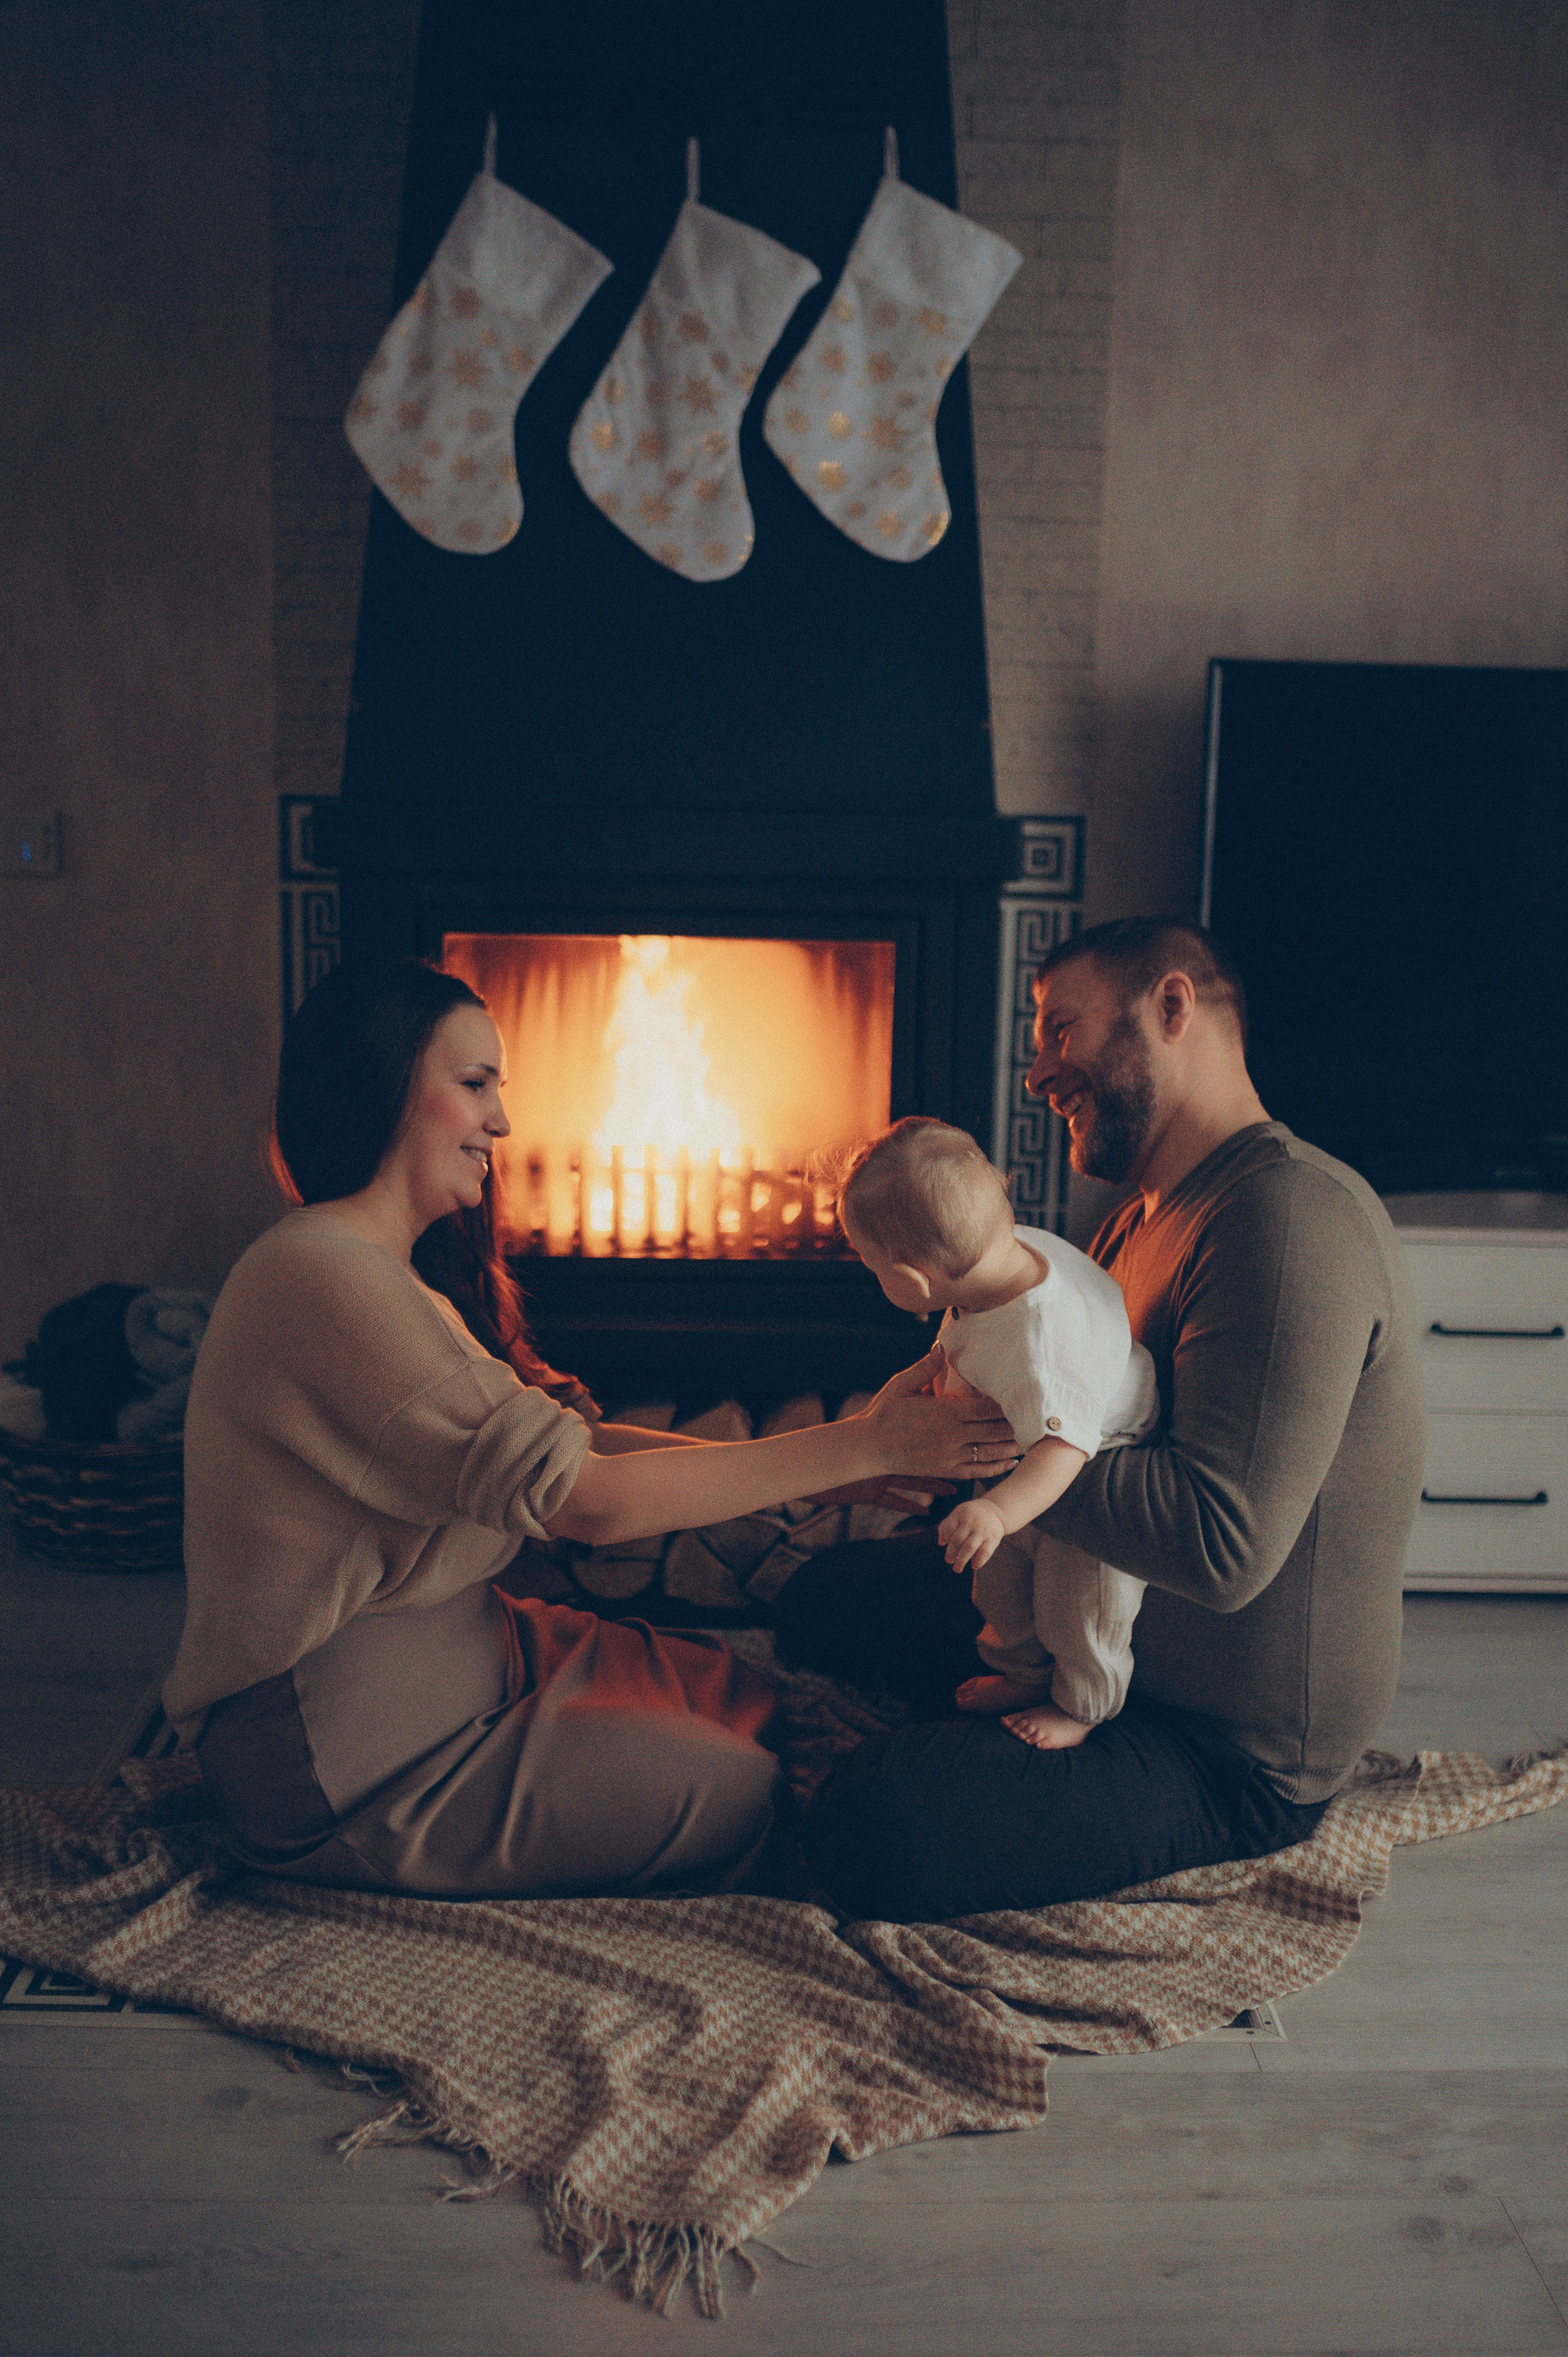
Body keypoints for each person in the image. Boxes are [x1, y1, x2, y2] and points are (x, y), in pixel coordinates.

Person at [163, 960, 1016, 1901]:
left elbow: (584, 1449)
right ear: (385, 1087)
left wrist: (825, 1476)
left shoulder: (385, 1272)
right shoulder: (321, 1276)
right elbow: (589, 1504)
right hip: (352, 1757)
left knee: (750, 1699)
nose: (503, 1121)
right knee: (744, 1792)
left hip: (478, 1657)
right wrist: (867, 1443)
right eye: (475, 1084)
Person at [775, 919, 1427, 1922]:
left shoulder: (1285, 1223)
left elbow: (1221, 1545)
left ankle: (1036, 1737)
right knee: (822, 1602)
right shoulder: (1138, 1216)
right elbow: (1052, 1395)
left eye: (1060, 1031)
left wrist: (974, 1449)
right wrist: (915, 1437)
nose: (1040, 1072)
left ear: (1172, 1008)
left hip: (1225, 1746)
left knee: (870, 1827)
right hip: (1100, 1607)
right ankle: (1025, 1699)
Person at [836, 1117, 1158, 1753]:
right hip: (1035, 1429)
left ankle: (1083, 1703)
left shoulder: (1040, 1346)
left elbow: (1064, 1448)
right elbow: (973, 1341)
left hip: (1094, 1450)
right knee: (998, 1582)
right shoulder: (996, 1255)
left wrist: (996, 1507)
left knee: (1080, 1604)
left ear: (909, 1282)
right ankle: (1021, 1672)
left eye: (871, 1267)